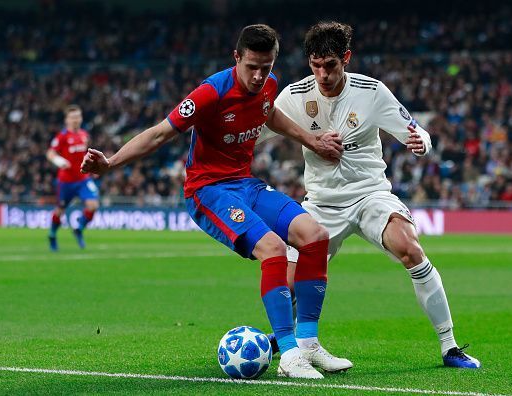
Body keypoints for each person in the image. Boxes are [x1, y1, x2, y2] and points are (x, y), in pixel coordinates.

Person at [80, 24, 351, 379]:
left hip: (245, 184)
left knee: (315, 235)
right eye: (251, 66)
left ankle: (308, 344)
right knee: (272, 249)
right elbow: (160, 133)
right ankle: (288, 354)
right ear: (236, 57)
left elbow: (270, 114)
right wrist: (111, 163)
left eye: (266, 67)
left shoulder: (269, 86)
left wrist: (311, 140)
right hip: (208, 190)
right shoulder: (210, 93)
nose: (258, 76)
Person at [260, 21, 481, 369]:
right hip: (320, 203)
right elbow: (256, 133)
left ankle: (449, 346)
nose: (322, 74)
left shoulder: (371, 92)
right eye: (315, 65)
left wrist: (421, 143)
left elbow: (417, 132)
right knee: (287, 284)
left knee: (410, 248)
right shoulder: (294, 95)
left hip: (370, 195)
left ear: (346, 58)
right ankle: (286, 340)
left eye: (330, 65)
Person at [47, 105, 99, 251]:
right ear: (67, 120)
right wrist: (59, 161)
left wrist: (93, 166)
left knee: (93, 205)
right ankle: (52, 234)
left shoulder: (84, 135)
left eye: (78, 116)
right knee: (60, 210)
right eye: (73, 117)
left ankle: (79, 229)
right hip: (66, 181)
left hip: (83, 179)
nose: (76, 120)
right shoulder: (62, 136)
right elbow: (50, 153)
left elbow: (85, 155)